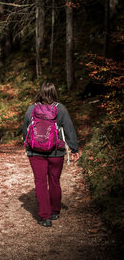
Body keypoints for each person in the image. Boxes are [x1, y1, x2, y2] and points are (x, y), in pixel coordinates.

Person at [23, 81, 79, 227]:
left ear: (40, 92)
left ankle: (44, 217)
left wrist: (27, 146)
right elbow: (69, 129)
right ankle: (55, 211)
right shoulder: (60, 109)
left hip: (35, 152)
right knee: (54, 181)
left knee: (40, 183)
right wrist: (74, 149)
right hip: (56, 152)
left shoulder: (31, 108)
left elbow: (25, 129)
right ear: (54, 92)